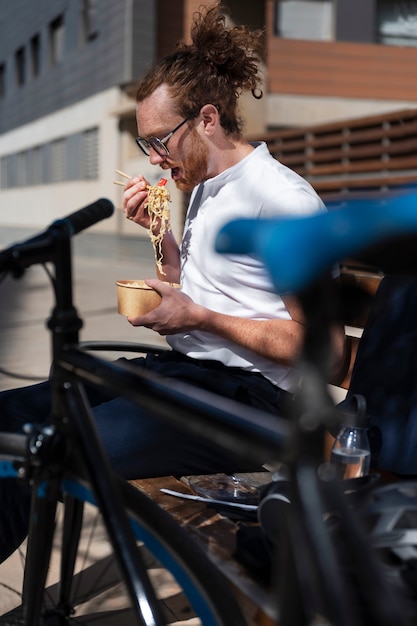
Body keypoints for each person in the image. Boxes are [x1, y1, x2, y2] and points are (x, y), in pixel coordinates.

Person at [0, 2, 340, 561]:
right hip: (188, 376)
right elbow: (195, 288)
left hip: (258, 401)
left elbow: (321, 349)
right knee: (14, 418)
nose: (156, 160)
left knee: (56, 443)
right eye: (147, 145)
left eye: (161, 139)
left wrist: (200, 319)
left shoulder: (281, 200)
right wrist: (162, 239)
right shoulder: (204, 186)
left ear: (207, 119)